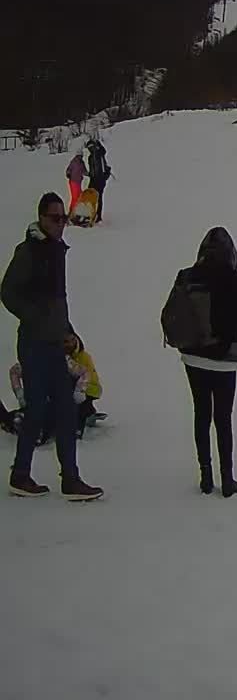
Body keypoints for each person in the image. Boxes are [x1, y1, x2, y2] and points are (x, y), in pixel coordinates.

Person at [2, 193, 100, 500]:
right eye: (55, 218)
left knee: (65, 411)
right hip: (33, 344)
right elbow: (8, 293)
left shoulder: (56, 251)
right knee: (36, 412)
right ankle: (21, 475)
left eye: (64, 219)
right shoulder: (28, 252)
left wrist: (69, 333)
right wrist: (38, 318)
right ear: (41, 218)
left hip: (55, 344)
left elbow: (58, 302)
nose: (61, 224)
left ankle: (70, 479)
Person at [163, 227, 237, 497]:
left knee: (201, 413)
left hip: (193, 358)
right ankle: (228, 479)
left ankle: (206, 476)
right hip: (226, 362)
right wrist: (234, 344)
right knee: (223, 418)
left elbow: (171, 315)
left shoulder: (186, 277)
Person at [84, 138, 111, 223]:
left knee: (98, 197)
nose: (91, 149)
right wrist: (89, 174)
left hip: (101, 179)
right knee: (89, 196)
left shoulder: (99, 153)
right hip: (93, 179)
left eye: (92, 147)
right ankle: (89, 213)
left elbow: (103, 151)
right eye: (89, 148)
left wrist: (99, 144)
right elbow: (92, 169)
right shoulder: (90, 157)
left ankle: (98, 216)